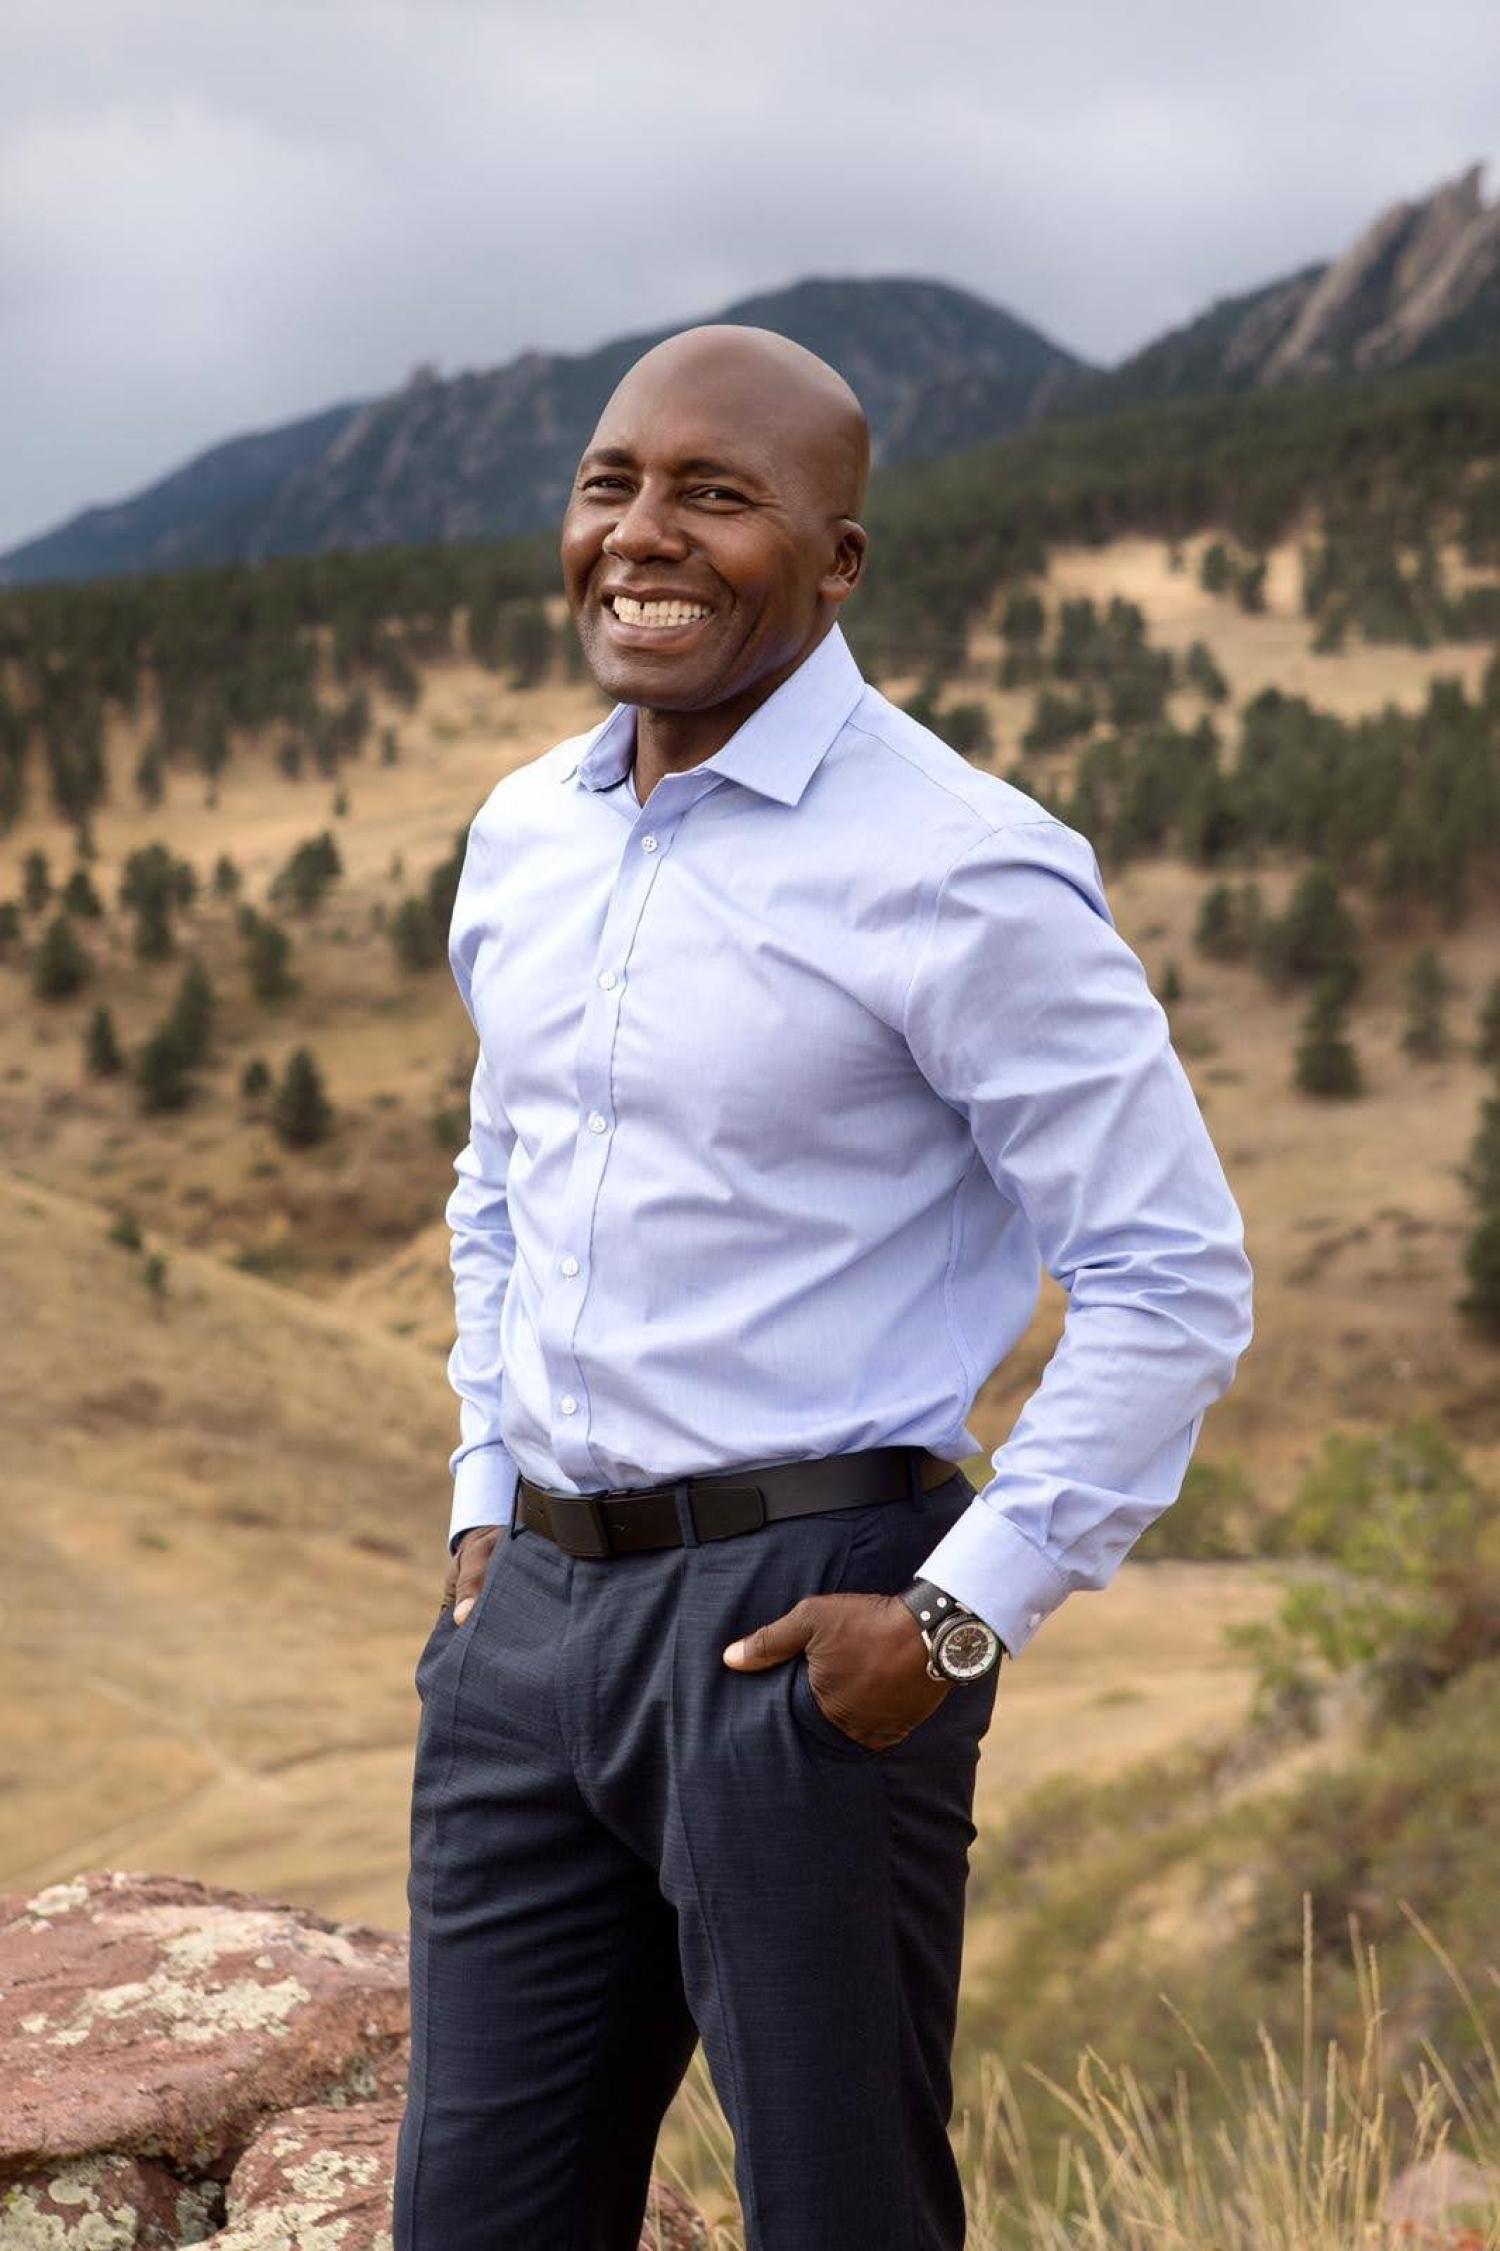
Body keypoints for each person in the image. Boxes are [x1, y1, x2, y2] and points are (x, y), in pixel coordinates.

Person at [392, 324, 1254, 2251]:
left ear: (839, 558)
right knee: (469, 2221)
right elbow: (501, 1181)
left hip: (811, 1634)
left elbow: (1170, 1277)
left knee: (839, 2218)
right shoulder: (528, 832)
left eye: (719, 495)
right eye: (615, 483)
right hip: (527, 1638)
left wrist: (955, 1626)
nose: (646, 536)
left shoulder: (962, 868)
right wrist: (478, 1508)